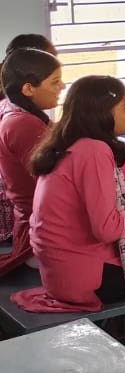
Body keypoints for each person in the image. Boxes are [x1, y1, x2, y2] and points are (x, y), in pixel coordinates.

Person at [14, 77, 125, 357]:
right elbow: (109, 229)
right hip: (83, 276)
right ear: (102, 112)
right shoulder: (92, 151)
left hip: (62, 269)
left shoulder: (73, 142)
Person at [0, 48, 63, 276]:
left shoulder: (22, 115)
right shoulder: (23, 125)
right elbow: (60, 179)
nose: (62, 87)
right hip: (40, 242)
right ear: (28, 88)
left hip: (35, 231)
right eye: (55, 81)